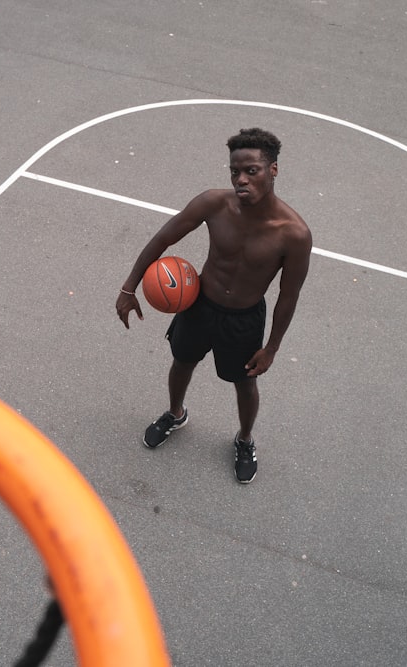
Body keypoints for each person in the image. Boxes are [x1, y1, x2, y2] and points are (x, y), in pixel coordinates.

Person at [116, 128, 312, 484]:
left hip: (244, 319)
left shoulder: (294, 233)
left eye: (251, 170)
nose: (241, 179)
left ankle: (245, 439)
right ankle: (176, 414)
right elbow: (164, 236)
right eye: (235, 171)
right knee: (182, 362)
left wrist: (272, 348)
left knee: (245, 384)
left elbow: (289, 294)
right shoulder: (213, 203)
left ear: (273, 170)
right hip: (199, 305)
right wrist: (129, 287)